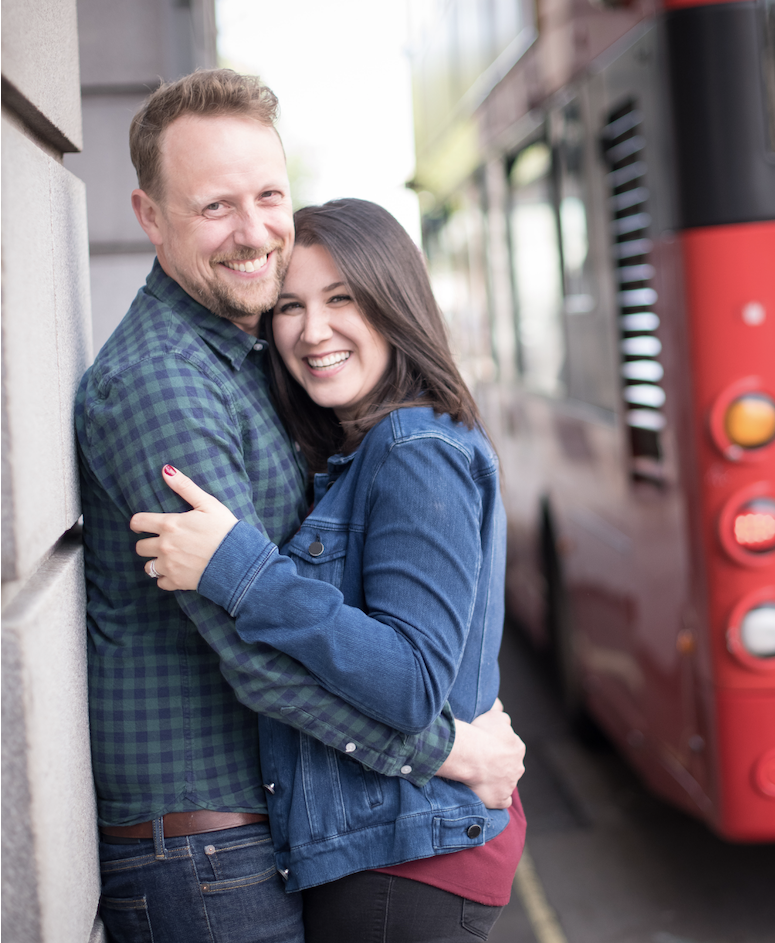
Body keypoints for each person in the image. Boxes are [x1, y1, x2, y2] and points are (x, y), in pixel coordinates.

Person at [74, 70, 524, 943]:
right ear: (149, 216)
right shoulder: (164, 384)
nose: (254, 233)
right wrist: (445, 750)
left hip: (264, 840)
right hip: (205, 849)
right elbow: (251, 651)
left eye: (269, 196)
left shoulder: (291, 390)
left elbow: (390, 645)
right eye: (215, 207)